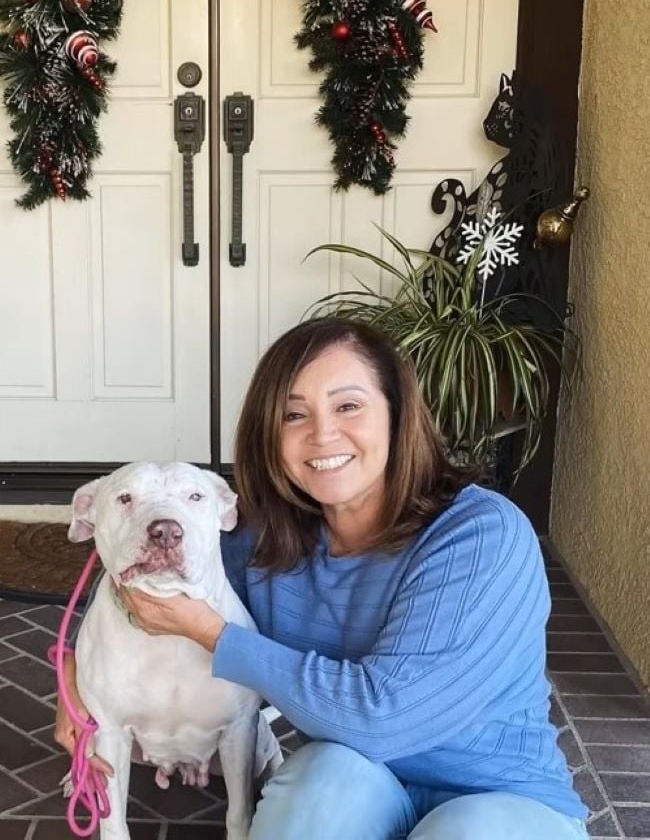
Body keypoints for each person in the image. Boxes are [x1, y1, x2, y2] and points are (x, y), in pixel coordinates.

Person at [56, 318, 588, 839]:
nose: (322, 434)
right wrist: (77, 687)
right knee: (314, 794)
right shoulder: (259, 539)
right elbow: (151, 596)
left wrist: (215, 635)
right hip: (355, 776)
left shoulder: (482, 535)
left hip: (496, 795)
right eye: (294, 415)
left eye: (348, 405)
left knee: (465, 829)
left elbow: (383, 719)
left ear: (398, 415)